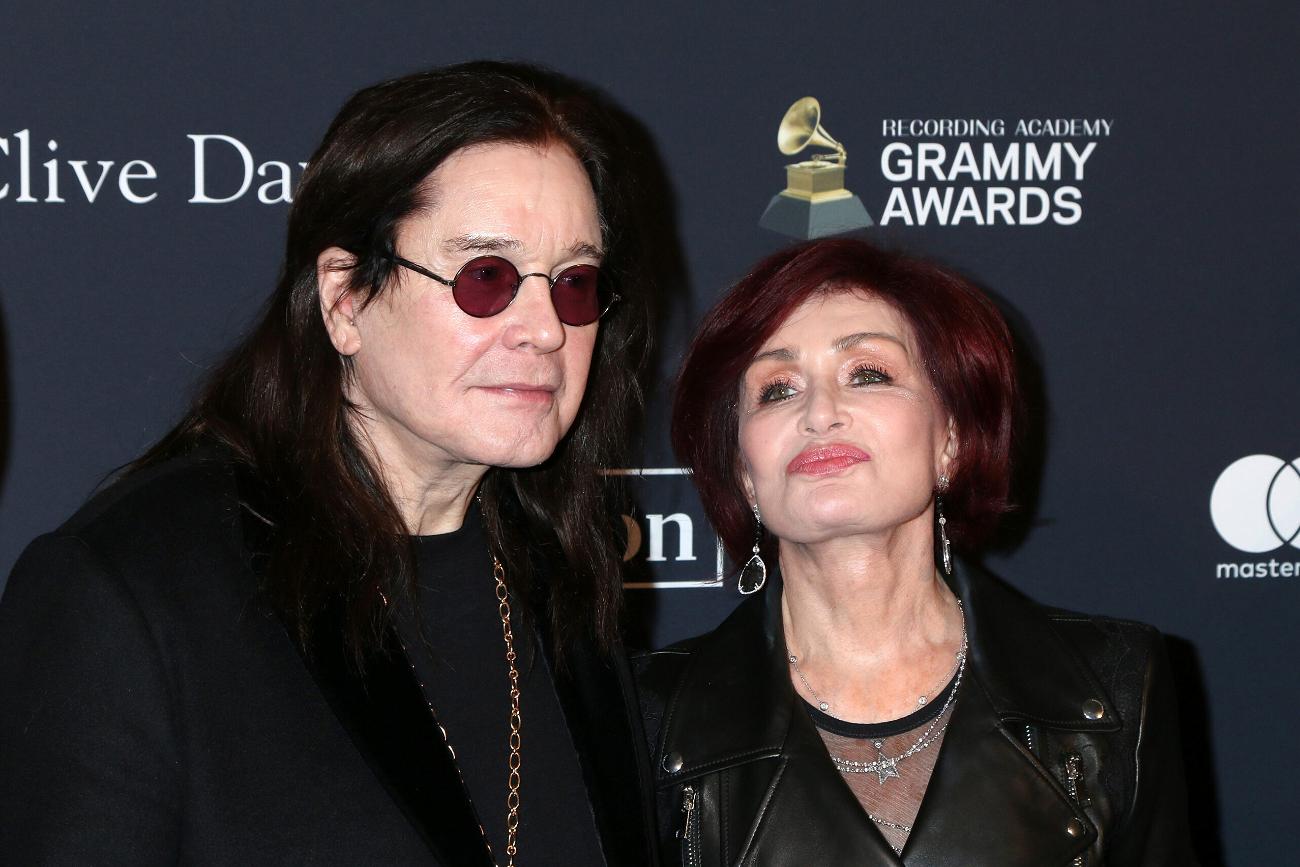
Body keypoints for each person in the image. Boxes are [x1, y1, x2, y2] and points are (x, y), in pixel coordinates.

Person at [0, 62, 660, 866]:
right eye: (486, 278)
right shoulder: (133, 590)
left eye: (575, 284)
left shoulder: (563, 579)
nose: (546, 329)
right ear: (345, 299)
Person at [636, 238, 1198, 866]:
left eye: (868, 374)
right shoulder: (650, 716)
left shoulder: (1115, 686)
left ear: (951, 441)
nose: (820, 413)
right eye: (777, 389)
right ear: (744, 471)